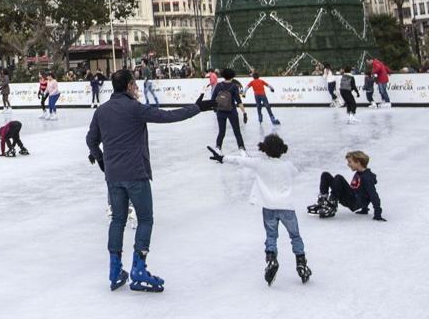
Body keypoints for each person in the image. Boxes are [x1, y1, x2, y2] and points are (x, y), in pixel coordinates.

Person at [86, 69, 215, 292]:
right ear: (128, 86)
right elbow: (168, 116)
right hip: (136, 174)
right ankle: (138, 268)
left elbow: (91, 140)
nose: (136, 87)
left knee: (117, 220)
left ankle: (115, 270)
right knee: (145, 219)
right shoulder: (135, 108)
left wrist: (102, 162)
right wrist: (197, 107)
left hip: (114, 176)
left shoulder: (102, 111)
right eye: (134, 84)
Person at [207, 133, 311, 285]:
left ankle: (271, 259)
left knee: (271, 236)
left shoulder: (259, 164)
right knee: (295, 236)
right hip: (287, 207)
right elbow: (294, 173)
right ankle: (301, 262)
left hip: (269, 207)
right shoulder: (288, 166)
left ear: (265, 150)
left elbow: (240, 160)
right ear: (282, 149)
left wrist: (222, 158)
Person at [307, 150, 384, 221]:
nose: (348, 164)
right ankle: (323, 202)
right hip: (351, 197)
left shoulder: (367, 177)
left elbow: (373, 194)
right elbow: (362, 191)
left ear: (358, 162)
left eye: (350, 162)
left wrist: (377, 213)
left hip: (354, 202)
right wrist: (365, 209)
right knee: (325, 175)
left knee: (338, 178)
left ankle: (331, 206)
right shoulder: (359, 173)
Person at [213, 68, 247, 154]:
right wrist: (244, 112)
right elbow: (239, 102)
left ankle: (218, 148)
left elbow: (213, 99)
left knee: (221, 132)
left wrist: (215, 109)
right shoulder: (234, 86)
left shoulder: (218, 85)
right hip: (232, 112)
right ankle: (242, 149)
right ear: (232, 76)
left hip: (220, 112)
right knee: (237, 132)